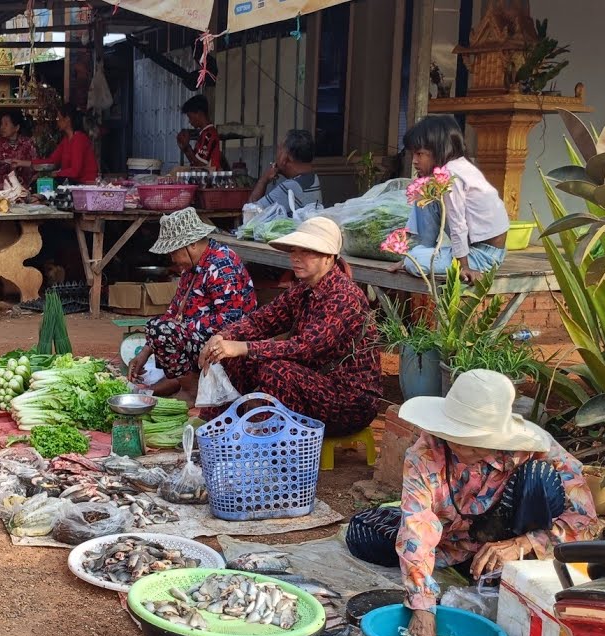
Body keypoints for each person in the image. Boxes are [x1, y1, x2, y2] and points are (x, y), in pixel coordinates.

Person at [343, 370, 596, 636]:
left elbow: (584, 521)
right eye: (456, 435)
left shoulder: (534, 451)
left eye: (472, 438)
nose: (461, 444)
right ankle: (468, 564)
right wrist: (424, 606)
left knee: (539, 479)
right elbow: (419, 526)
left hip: (512, 535)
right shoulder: (425, 454)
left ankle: (509, 572)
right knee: (363, 535)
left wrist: (521, 544)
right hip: (452, 544)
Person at [200, 217, 381, 436]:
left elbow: (305, 347)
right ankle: (221, 431)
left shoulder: (344, 296)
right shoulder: (302, 290)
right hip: (313, 383)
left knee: (275, 371)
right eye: (294, 251)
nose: (296, 258)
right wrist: (222, 337)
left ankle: (267, 445)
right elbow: (262, 320)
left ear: (329, 257)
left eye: (306, 252)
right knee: (234, 359)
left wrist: (242, 347)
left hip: (350, 401)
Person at [129, 209, 256, 397]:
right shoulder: (192, 268)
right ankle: (180, 383)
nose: (172, 259)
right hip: (199, 337)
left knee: (163, 330)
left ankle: (192, 392)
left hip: (228, 341)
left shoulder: (221, 265)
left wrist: (180, 327)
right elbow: (174, 311)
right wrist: (145, 352)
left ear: (192, 245)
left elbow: (231, 320)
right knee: (158, 327)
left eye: (174, 252)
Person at [392, 114, 509, 284]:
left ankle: (422, 255)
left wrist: (464, 267)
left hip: (484, 257)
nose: (415, 161)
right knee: (424, 192)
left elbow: (457, 223)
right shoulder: (454, 167)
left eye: (420, 154)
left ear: (439, 150)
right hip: (472, 249)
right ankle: (424, 251)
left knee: (413, 262)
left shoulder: (450, 174)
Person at [14, 104, 97, 184]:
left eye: (59, 118)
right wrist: (21, 163)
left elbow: (75, 171)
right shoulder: (66, 140)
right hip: (72, 183)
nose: (57, 121)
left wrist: (52, 174)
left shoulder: (79, 138)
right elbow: (52, 161)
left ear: (67, 119)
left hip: (85, 185)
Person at [247, 129, 322, 216]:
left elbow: (249, 214)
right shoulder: (313, 178)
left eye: (279, 149)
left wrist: (264, 179)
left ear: (286, 157)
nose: (277, 155)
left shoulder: (292, 187)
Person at [0, 110, 35, 189]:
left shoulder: (28, 144)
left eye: (6, 124)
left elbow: (35, 165)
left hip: (25, 188)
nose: (2, 127)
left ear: (16, 128)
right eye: (1, 124)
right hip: (1, 189)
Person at [177, 95, 222, 170]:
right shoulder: (204, 133)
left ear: (199, 113)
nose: (189, 121)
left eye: (190, 117)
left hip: (209, 180)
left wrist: (187, 146)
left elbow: (200, 165)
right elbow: (194, 161)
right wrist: (184, 147)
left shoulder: (209, 134)